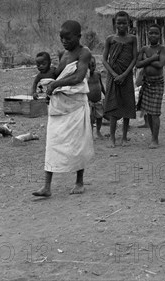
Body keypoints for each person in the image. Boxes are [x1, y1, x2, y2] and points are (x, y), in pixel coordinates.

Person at [33, 20, 94, 197]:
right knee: (52, 143)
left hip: (75, 105)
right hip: (60, 105)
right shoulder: (63, 54)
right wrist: (46, 86)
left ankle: (79, 182)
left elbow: (78, 77)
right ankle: (47, 187)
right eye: (61, 38)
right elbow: (57, 75)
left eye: (68, 38)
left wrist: (55, 85)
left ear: (78, 36)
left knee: (78, 144)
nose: (64, 41)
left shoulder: (84, 52)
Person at [102, 11, 137, 147]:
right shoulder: (110, 39)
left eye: (124, 23)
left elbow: (134, 58)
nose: (121, 26)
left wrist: (124, 75)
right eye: (119, 23)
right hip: (113, 77)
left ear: (129, 23)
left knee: (127, 104)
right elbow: (104, 60)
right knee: (113, 105)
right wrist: (114, 74)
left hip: (126, 76)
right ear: (115, 23)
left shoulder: (132, 39)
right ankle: (112, 138)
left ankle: (124, 137)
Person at [136, 23, 165, 149]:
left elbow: (160, 64)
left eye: (156, 33)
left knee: (155, 113)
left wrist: (147, 60)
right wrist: (153, 58)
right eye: (151, 33)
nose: (153, 35)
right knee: (148, 111)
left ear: (160, 35)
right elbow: (138, 64)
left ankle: (155, 139)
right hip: (146, 82)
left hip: (157, 83)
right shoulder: (144, 49)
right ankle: (152, 135)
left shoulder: (163, 49)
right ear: (147, 34)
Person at [87, 55, 106, 139]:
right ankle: (90, 133)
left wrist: (106, 94)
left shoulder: (97, 74)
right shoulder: (85, 76)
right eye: (89, 66)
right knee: (90, 118)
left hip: (98, 100)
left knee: (100, 116)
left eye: (93, 65)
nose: (92, 68)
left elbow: (101, 86)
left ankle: (98, 131)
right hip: (89, 101)